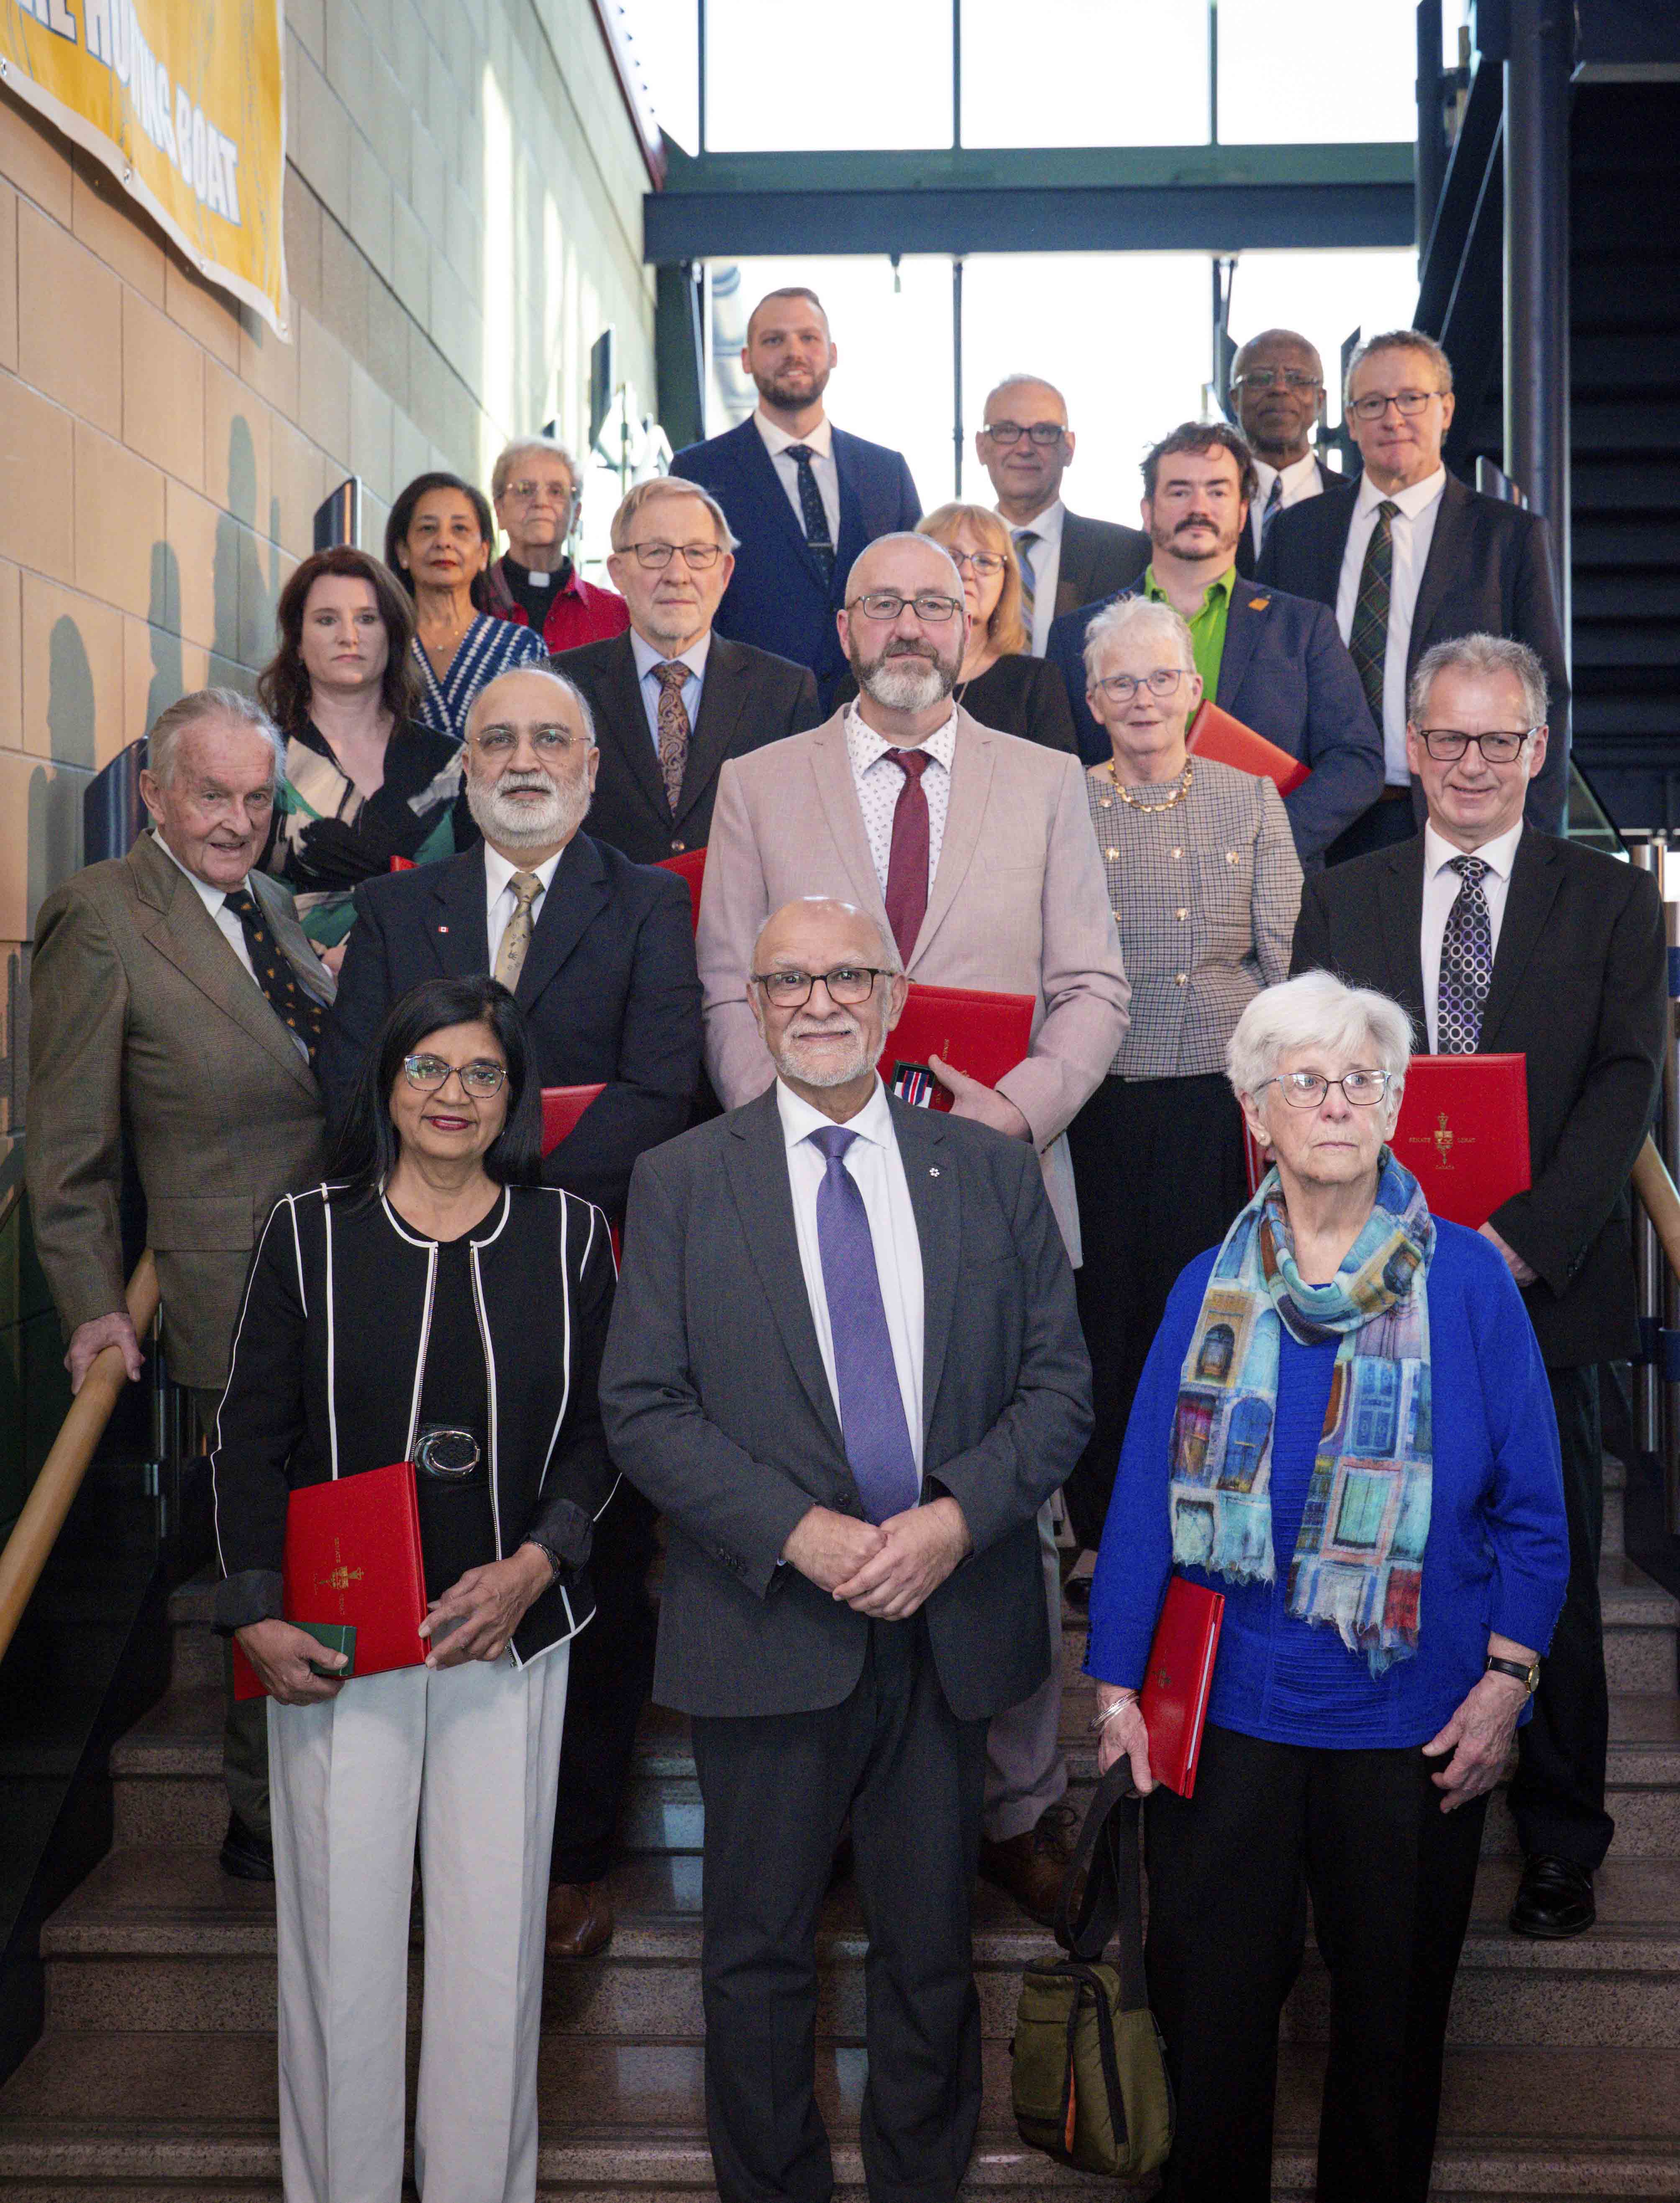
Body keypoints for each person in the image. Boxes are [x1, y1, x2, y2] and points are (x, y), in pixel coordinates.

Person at [599, 893, 1093, 2203]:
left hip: (947, 1625)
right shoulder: (682, 1179)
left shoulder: (988, 1168)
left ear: (890, 1000)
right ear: (753, 1011)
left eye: (845, 977)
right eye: (786, 983)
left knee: (930, 1954)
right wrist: (800, 1534)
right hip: (766, 1627)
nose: (817, 1001)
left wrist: (951, 1519)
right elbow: (641, 1406)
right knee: (755, 1956)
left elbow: (1060, 1391)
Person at [696, 530, 1128, 1923]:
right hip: (811, 1196)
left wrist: (1012, 1119)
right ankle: (827, 1799)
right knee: (827, 1474)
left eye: (933, 603)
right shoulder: (758, 784)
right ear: (841, 621)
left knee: (1000, 1502)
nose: (907, 624)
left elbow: (1092, 990)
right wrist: (809, 1132)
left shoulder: (1047, 780)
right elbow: (723, 993)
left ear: (971, 620)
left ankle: (1013, 1805)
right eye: (881, 601)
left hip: (998, 1188)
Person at [1087, 968, 1570, 2203]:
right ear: (1258, 1113)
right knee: (1214, 2036)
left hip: (1410, 1727)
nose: (1337, 1101)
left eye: (1363, 1077)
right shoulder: (1207, 1287)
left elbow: (1534, 1513)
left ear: (1396, 1104)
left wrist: (1509, 1683)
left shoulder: (1465, 1284)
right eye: (1305, 1079)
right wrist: (1111, 1693)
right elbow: (1145, 1502)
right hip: (1229, 1723)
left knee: (1392, 2045)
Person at [319, 665, 700, 1960]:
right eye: (499, 738)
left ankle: (573, 1857)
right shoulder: (391, 908)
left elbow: (666, 1089)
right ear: (464, 767)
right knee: (424, 1539)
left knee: (589, 1550)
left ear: (593, 768)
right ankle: (420, 1841)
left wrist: (503, 1190)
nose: (524, 756)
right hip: (411, 1287)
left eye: (553, 738)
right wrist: (452, 1187)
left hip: (589, 1279)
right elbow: (352, 1089)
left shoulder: (650, 907)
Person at [214, 973, 615, 2203]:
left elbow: (607, 1435)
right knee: (341, 1954)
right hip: (339, 1644)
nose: (453, 1094)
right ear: (386, 1083)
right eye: (428, 1067)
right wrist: (253, 1610)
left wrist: (540, 1559)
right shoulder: (310, 1230)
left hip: (511, 1639)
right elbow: (248, 1435)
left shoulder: (569, 1236)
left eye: (482, 1072)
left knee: (496, 1955)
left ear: (516, 1095)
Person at [1291, 633, 1666, 1939]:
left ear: (1537, 750)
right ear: (1409, 747)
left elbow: (1626, 1083)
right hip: (1365, 1286)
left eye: (1495, 741)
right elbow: (1312, 1079)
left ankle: (1561, 1834)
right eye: (1445, 739)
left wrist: (1514, 1241)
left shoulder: (1613, 899)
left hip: (1540, 1292)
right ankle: (1381, 1792)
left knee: (1542, 1559)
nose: (1467, 764)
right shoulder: (1345, 895)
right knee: (1372, 1539)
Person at [26, 688, 333, 1885]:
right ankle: (262, 1815)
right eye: (212, 794)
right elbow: (67, 1144)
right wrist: (94, 1300)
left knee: (321, 1546)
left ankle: (313, 1786)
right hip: (221, 1296)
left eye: (258, 799)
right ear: (153, 793)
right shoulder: (98, 917)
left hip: (330, 1277)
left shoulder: (269, 904)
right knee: (262, 1555)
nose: (237, 820)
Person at [1064, 597, 1300, 1560]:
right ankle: (1102, 1536)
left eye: (1161, 677)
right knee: (1099, 1327)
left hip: (1215, 1108)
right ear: (1092, 699)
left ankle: (1204, 1524)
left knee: (1210, 1317)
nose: (1142, 697)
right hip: (1089, 1105)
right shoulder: (1059, 800)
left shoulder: (1249, 801)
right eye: (1120, 681)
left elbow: (1287, 967)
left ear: (1194, 691)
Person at [1257, 328, 1571, 853]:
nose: (1392, 417)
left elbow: (1547, 696)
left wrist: (1529, 836)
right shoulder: (1295, 533)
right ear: (1351, 421)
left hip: (1452, 816)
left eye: (1411, 399)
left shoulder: (1507, 536)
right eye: (1373, 403)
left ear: (1445, 410)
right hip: (1315, 821)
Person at [1046, 423, 1383, 868]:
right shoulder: (1076, 634)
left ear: (1243, 513)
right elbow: (1056, 775)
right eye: (1179, 492)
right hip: (1123, 885)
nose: (1198, 507)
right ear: (1147, 512)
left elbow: (1356, 762)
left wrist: (1263, 840)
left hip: (1266, 894)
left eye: (1217, 492)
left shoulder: (1303, 628)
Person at [668, 285, 921, 707]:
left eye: (808, 338)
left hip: (875, 709)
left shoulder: (886, 472)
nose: (793, 351)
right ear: (746, 359)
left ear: (833, 353)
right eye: (773, 340)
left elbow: (919, 587)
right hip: (748, 712)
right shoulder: (699, 472)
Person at [551, 476, 821, 866]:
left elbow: (805, 840)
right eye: (655, 552)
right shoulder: (561, 688)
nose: (678, 574)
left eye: (697, 553)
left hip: (740, 923)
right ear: (618, 572)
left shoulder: (785, 693)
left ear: (725, 573)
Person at [256, 546, 471, 968]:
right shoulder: (262, 763)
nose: (348, 636)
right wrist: (319, 962)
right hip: (292, 996)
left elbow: (477, 894)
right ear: (297, 642)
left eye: (367, 619)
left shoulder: (453, 763)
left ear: (393, 637)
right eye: (326, 619)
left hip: (428, 991)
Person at [832, 503, 1077, 751]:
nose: (968, 572)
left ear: (1007, 579)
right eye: (951, 556)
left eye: (986, 561)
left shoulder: (1037, 683)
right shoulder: (866, 678)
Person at [973, 373, 1150, 651]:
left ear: (1069, 449)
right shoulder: (946, 557)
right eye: (1007, 431)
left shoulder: (1128, 555)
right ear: (981, 448)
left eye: (1043, 432)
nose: (1024, 448)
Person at [385, 470, 547, 745]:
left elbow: (542, 743)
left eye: (460, 529)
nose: (444, 542)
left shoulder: (522, 648)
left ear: (483, 553)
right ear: (403, 551)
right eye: (427, 528)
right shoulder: (383, 643)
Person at [483, 433, 630, 653]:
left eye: (556, 491)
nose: (541, 503)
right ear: (499, 510)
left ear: (576, 514)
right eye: (525, 489)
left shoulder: (616, 615)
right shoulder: (471, 602)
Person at [1229, 328, 1342, 566]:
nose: (1280, 389)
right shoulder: (1207, 501)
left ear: (1320, 400)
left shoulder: (1356, 500)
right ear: (1236, 400)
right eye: (1260, 379)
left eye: (1297, 379)